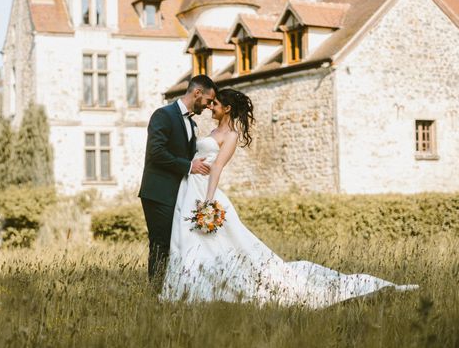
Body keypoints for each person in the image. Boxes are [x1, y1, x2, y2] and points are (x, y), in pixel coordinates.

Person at [161, 88, 418, 309]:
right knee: (187, 237)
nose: (210, 107)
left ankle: (206, 287)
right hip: (190, 185)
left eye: (215, 104)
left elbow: (217, 167)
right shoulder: (210, 130)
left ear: (227, 108)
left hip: (205, 190)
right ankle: (185, 286)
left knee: (221, 242)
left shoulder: (231, 136)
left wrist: (208, 200)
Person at [138, 75, 218, 291]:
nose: (209, 106)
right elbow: (156, 153)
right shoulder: (163, 115)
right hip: (158, 192)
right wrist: (190, 166)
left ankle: (171, 290)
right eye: (209, 100)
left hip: (180, 193)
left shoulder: (191, 123)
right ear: (197, 93)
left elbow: (187, 156)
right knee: (160, 244)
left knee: (176, 244)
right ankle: (154, 292)